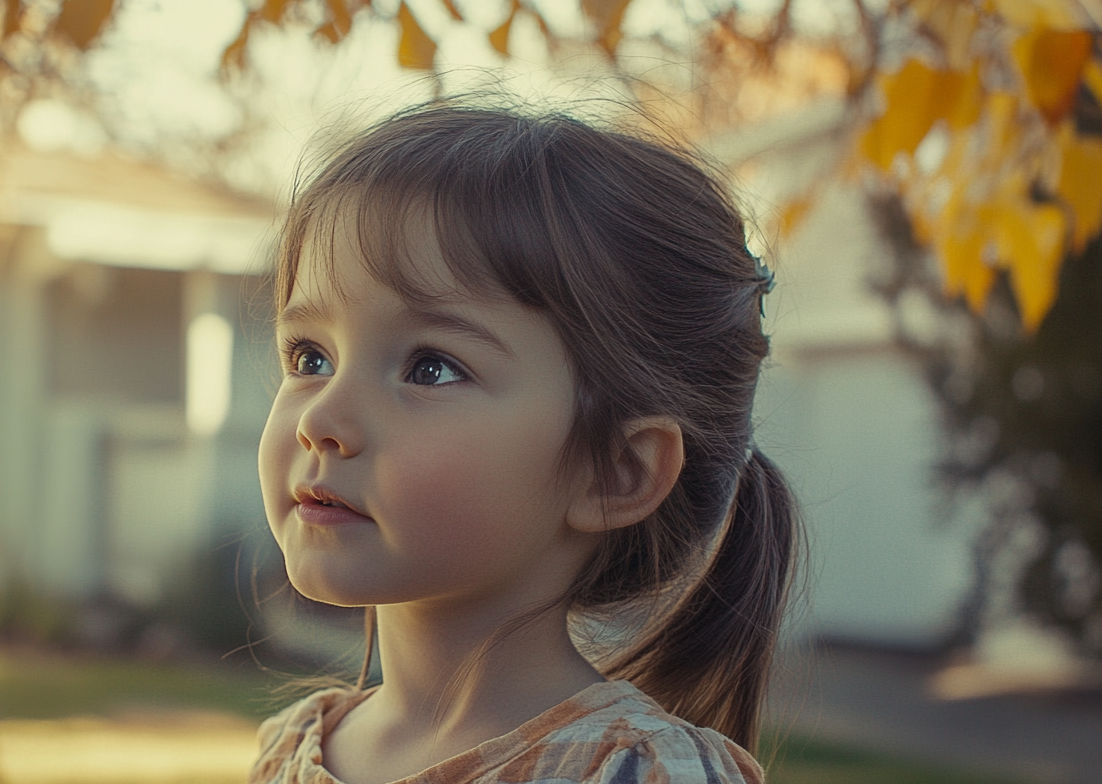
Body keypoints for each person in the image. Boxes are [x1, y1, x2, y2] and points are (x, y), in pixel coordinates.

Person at [250, 99, 798, 784]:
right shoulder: (290, 752)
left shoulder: (637, 773)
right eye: (309, 357)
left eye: (430, 367)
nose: (320, 418)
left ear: (615, 471)